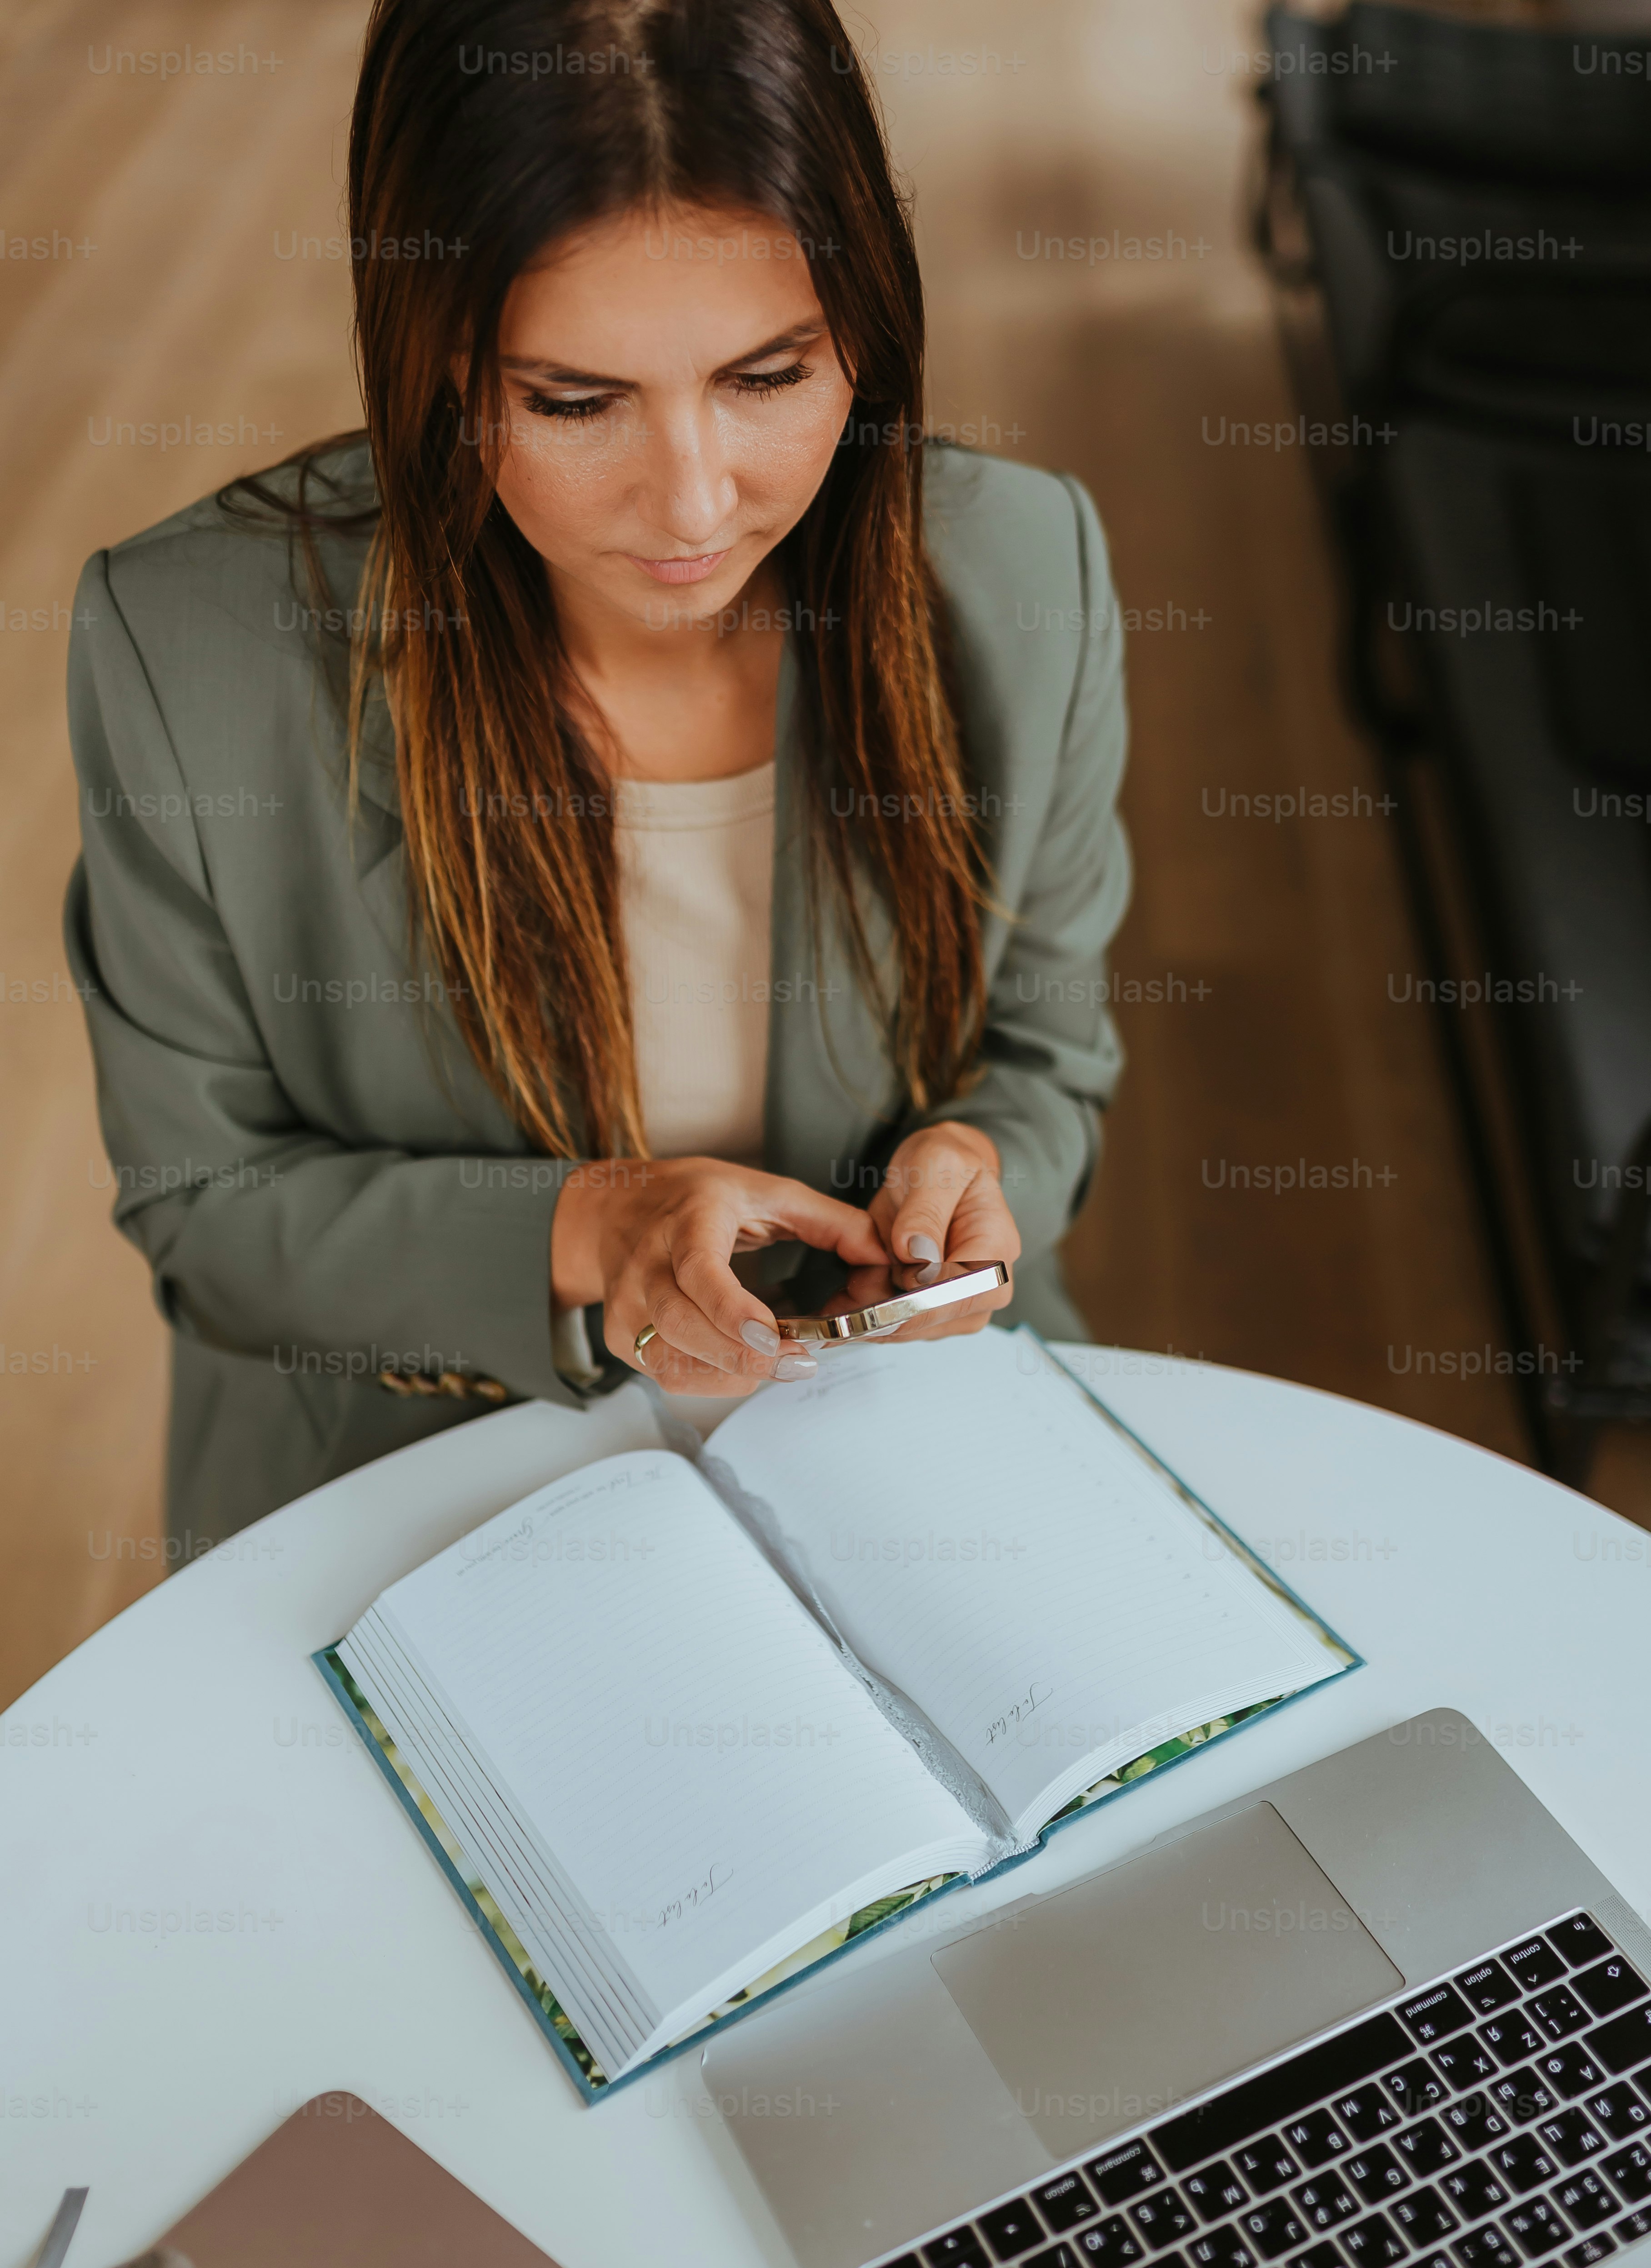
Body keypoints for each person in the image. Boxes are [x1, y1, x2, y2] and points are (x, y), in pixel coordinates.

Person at [65, 0, 1131, 1558]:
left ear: (870, 324)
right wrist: (586, 1232)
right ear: (432, 356)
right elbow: (206, 1207)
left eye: (771, 376)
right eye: (576, 403)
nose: (696, 500)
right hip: (415, 1497)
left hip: (902, 1451)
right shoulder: (188, 649)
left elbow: (1050, 1061)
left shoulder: (1032, 572)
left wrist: (971, 1161)